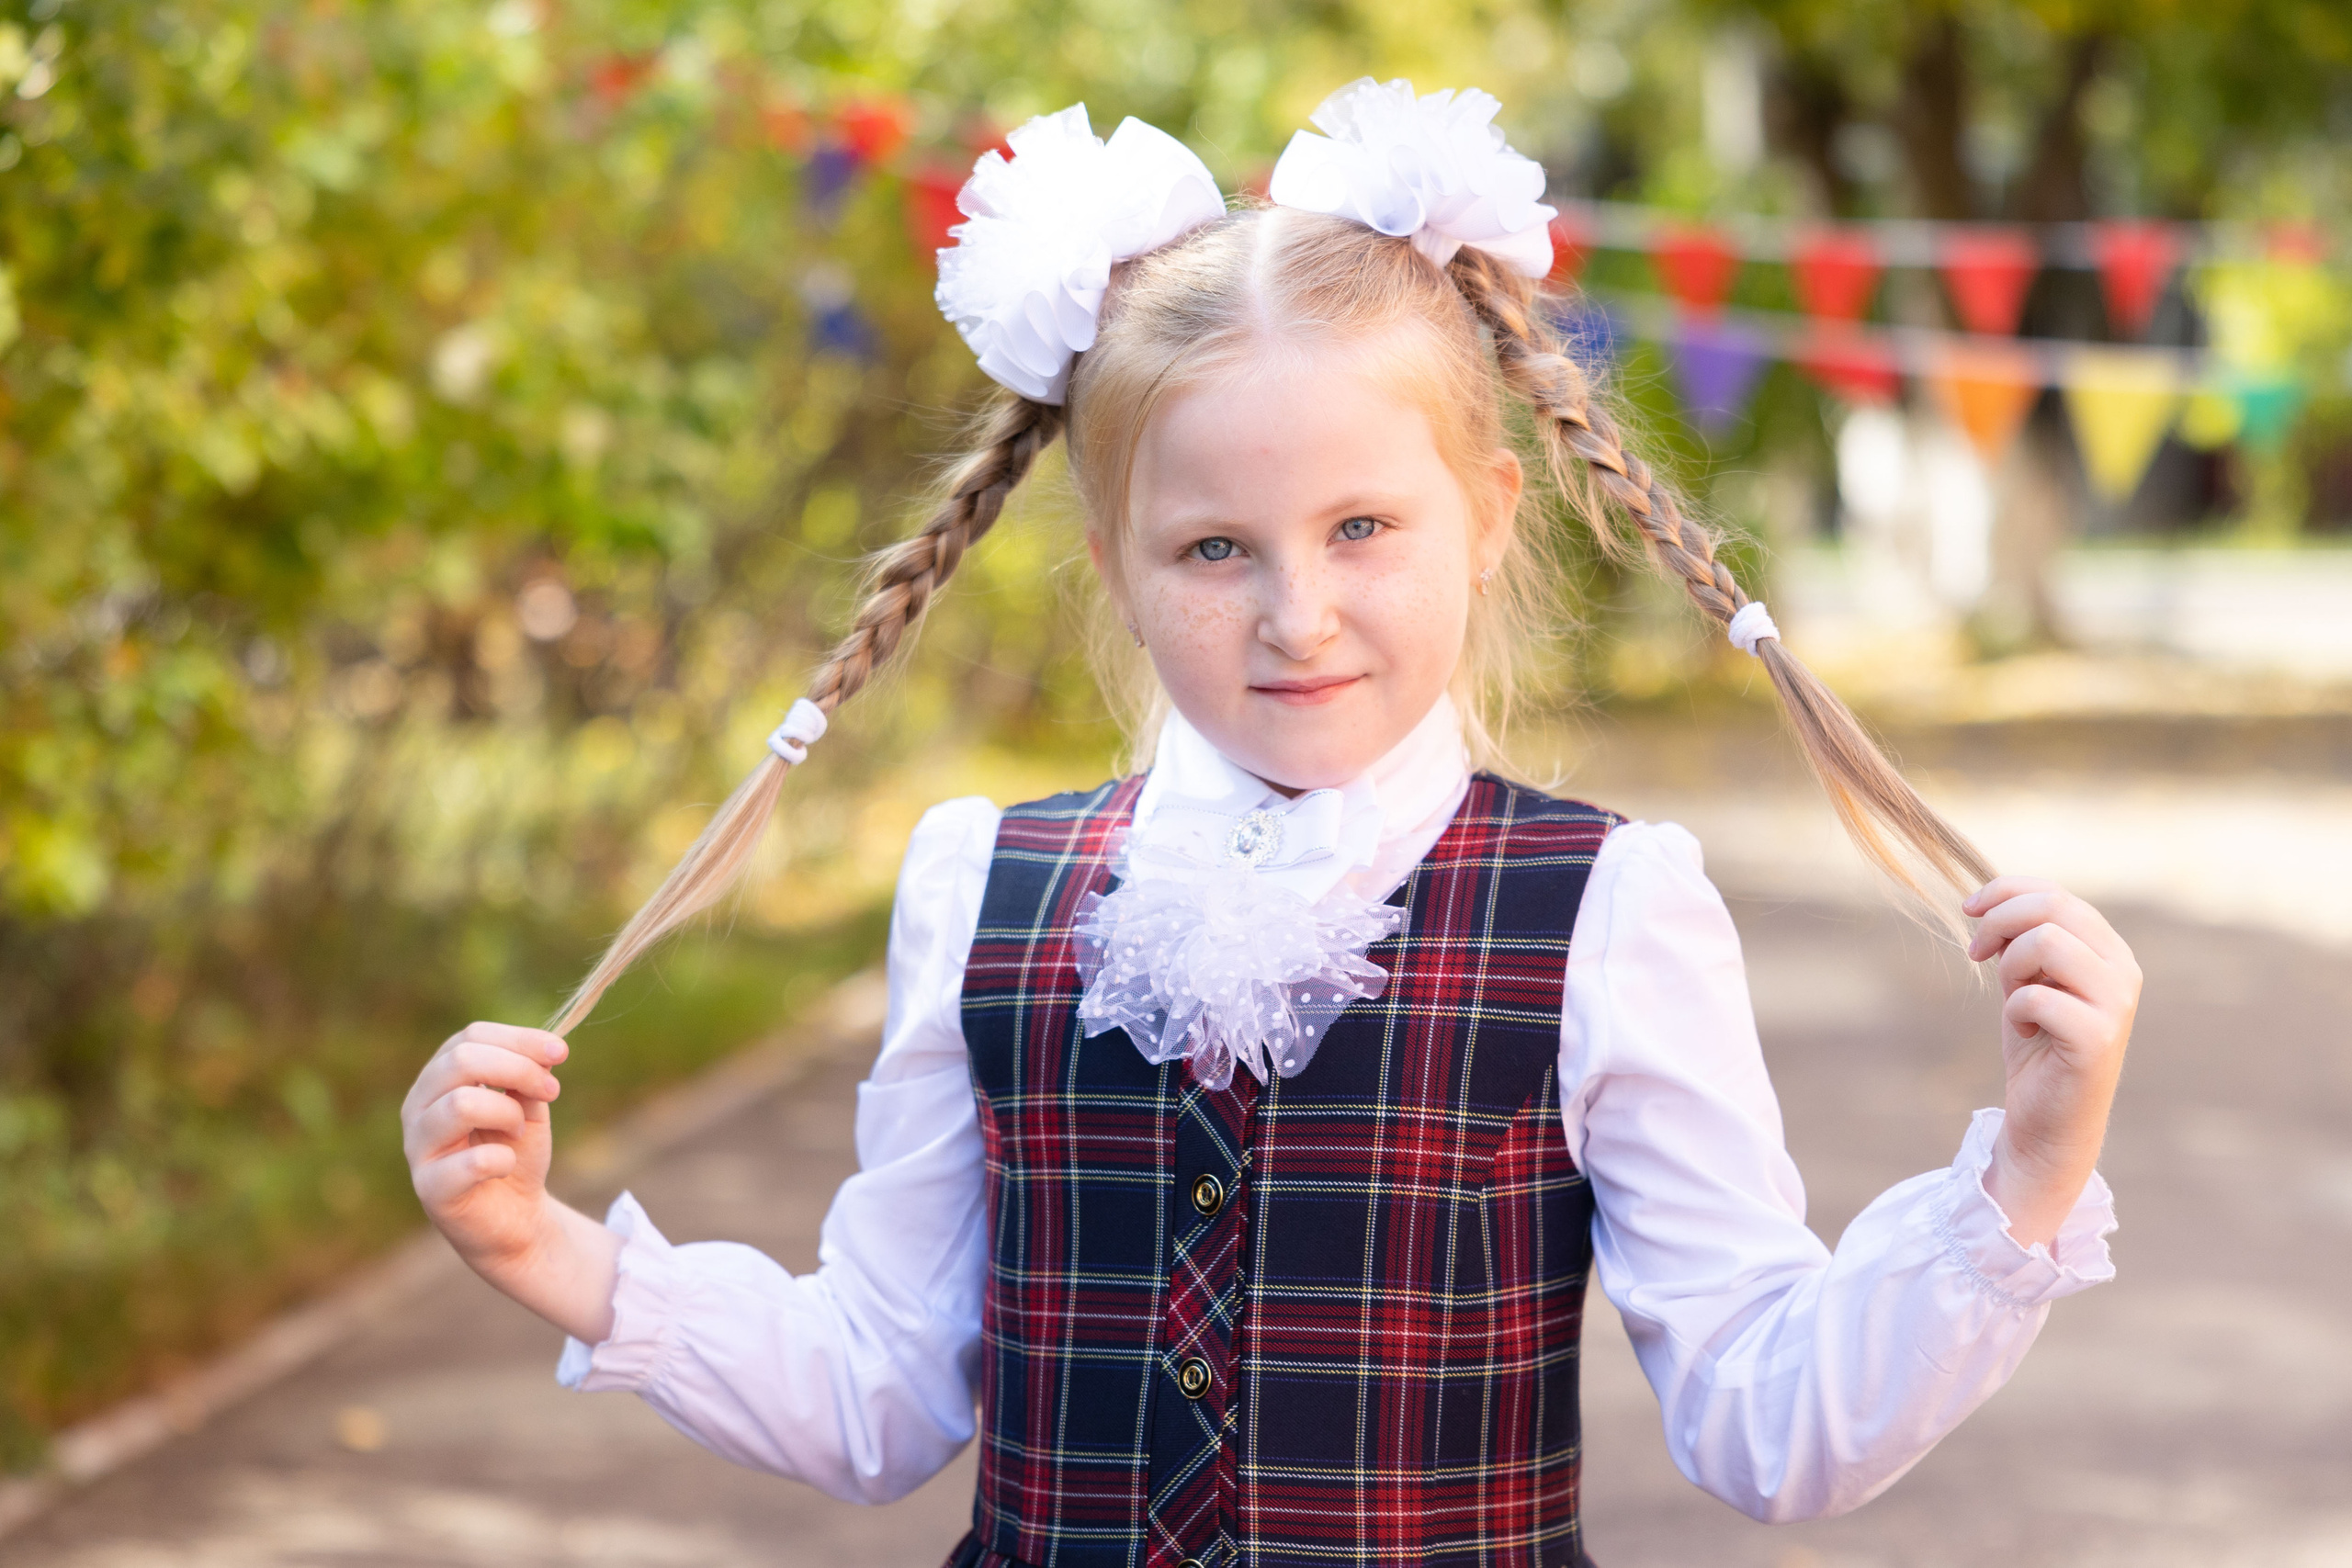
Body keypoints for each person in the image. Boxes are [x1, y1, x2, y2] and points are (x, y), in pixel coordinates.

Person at [399, 81, 2140, 1568]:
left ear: (1487, 516)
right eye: (1215, 548)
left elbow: (1774, 1427)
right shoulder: (982, 890)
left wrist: (2031, 1175)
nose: (1297, 612)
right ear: (1117, 566)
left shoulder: (1603, 910)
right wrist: (548, 1251)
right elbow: (878, 1398)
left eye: (1364, 527)